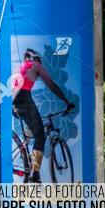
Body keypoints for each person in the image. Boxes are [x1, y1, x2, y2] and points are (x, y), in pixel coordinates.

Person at [12, 49, 75, 183]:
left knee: (32, 133)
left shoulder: (20, 67)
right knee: (40, 135)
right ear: (36, 59)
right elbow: (51, 85)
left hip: (13, 99)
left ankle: (27, 162)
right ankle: (35, 174)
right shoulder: (36, 65)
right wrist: (66, 101)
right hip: (23, 96)